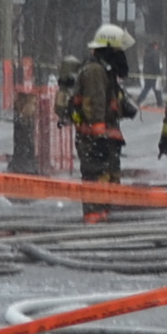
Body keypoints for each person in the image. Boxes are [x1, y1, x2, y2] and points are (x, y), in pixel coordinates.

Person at [67, 26, 136, 219]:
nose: (121, 55)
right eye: (118, 50)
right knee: (97, 183)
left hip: (105, 140)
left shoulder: (105, 72)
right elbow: (94, 107)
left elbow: (108, 105)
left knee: (109, 186)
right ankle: (94, 225)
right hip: (94, 141)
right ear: (108, 49)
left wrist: (123, 108)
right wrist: (99, 138)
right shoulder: (95, 71)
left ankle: (106, 221)